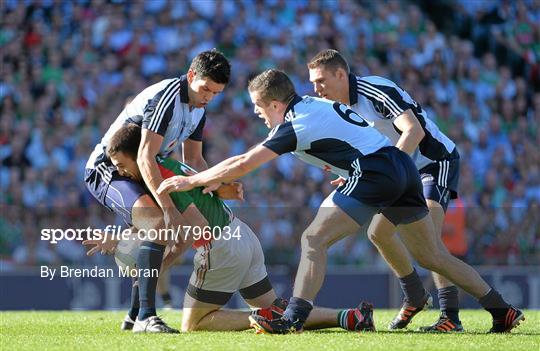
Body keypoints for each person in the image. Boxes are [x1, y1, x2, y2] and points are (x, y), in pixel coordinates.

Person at [157, 69, 524, 334]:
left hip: (376, 171)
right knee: (433, 257)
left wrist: (195, 178)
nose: (256, 113)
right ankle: (501, 310)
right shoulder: (317, 106)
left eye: (258, 106)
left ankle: (294, 317)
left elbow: (243, 163)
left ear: (273, 102)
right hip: (400, 167)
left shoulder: (296, 122)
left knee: (313, 239)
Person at [86, 124, 375, 333]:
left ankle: (259, 320)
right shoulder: (171, 165)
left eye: (120, 165)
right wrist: (122, 240)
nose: (120, 173)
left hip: (220, 246)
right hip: (242, 236)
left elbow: (195, 230)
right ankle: (349, 317)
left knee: (193, 323)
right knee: (282, 311)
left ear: (138, 155)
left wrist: (158, 265)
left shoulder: (161, 177)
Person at [306, 49, 464, 331]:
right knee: (378, 233)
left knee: (429, 242)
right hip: (404, 171)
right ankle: (415, 297)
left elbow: (413, 131)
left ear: (341, 74)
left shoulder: (374, 89)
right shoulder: (338, 110)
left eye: (320, 81)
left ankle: (450, 316)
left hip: (433, 163)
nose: (316, 89)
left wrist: (388, 172)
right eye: (313, 83)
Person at [83, 49, 231, 333]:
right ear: (191, 75)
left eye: (216, 93)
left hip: (144, 172)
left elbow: (195, 161)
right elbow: (144, 157)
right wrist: (169, 209)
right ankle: (146, 318)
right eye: (205, 89)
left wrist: (217, 184)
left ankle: (134, 314)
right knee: (158, 222)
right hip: (110, 169)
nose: (208, 97)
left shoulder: (198, 108)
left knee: (184, 235)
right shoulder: (167, 97)